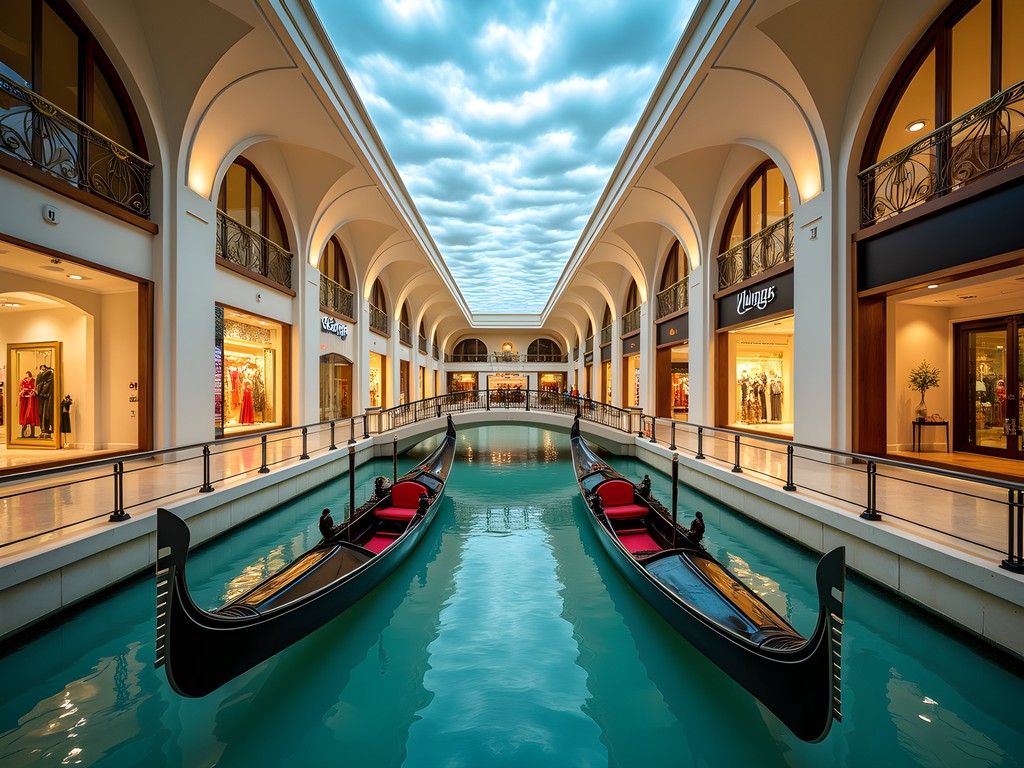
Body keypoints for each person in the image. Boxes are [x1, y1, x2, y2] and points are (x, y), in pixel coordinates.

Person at [18, 370, 39, 437]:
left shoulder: (33, 381)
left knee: (32, 416)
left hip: (31, 400)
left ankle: (32, 434)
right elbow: (21, 389)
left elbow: (34, 389)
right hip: (25, 400)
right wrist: (24, 391)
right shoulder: (23, 381)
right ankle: (23, 434)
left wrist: (32, 392)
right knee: (24, 415)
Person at [36, 364, 54, 437]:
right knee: (44, 414)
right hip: (45, 398)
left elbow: (41, 391)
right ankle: (45, 429)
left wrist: (41, 394)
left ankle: (45, 429)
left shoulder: (48, 378)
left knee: (45, 414)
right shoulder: (45, 380)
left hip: (46, 398)